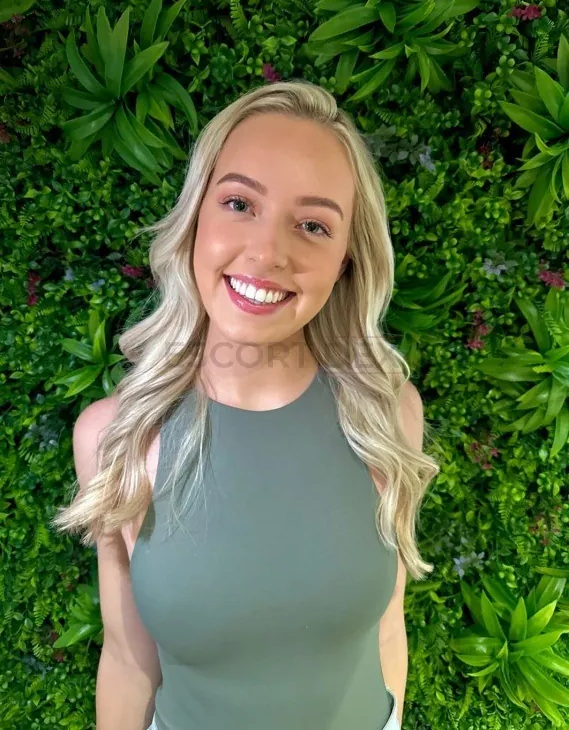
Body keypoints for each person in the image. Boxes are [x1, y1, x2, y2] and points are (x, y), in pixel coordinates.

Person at [52, 79, 439, 730]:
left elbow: (386, 631)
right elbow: (126, 660)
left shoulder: (386, 416)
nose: (267, 253)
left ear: (345, 259)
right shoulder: (115, 439)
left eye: (312, 225)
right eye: (239, 203)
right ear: (196, 218)